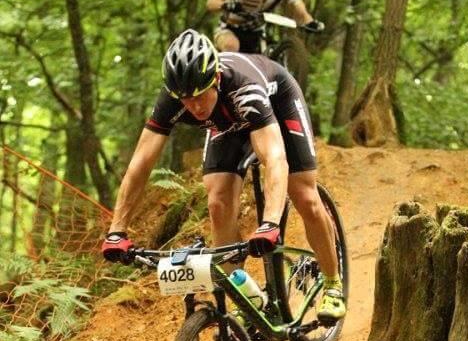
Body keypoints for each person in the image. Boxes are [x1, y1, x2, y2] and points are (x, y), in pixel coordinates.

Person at [102, 29, 345, 323]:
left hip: (276, 105)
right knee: (218, 204)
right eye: (185, 99)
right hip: (227, 125)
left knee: (304, 195)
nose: (193, 106)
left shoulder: (245, 88)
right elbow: (140, 165)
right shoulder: (173, 97)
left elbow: (275, 158)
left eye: (199, 95)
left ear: (215, 78)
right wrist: (117, 230)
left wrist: (269, 223)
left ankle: (333, 284)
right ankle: (249, 300)